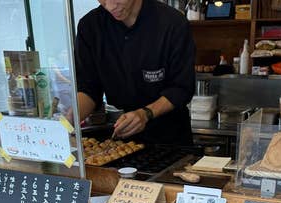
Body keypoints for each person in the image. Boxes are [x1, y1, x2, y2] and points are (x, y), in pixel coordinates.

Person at [75, 0, 196, 145]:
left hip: (170, 138)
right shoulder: (90, 26)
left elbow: (181, 88)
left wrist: (145, 114)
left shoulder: (172, 23)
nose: (110, 6)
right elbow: (88, 89)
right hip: (123, 138)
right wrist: (68, 120)